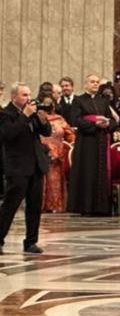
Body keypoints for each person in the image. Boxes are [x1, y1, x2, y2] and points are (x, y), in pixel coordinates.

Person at [0, 83, 52, 254]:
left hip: (35, 165)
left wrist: (43, 120)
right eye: (24, 95)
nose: (28, 99)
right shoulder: (6, 114)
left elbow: (45, 132)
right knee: (10, 205)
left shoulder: (32, 112)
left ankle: (30, 241)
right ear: (14, 96)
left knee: (34, 206)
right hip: (18, 167)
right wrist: (24, 116)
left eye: (29, 95)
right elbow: (7, 135)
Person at [68, 75, 118, 216]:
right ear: (85, 84)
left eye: (97, 82)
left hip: (102, 141)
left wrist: (108, 124)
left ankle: (101, 207)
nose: (95, 84)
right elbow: (76, 120)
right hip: (86, 143)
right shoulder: (78, 100)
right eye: (92, 82)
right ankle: (86, 207)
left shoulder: (103, 101)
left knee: (101, 172)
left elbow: (113, 121)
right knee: (88, 172)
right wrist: (94, 124)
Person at [39, 94, 75, 213]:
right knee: (42, 180)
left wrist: (73, 139)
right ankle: (41, 206)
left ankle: (55, 205)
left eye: (50, 103)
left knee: (55, 181)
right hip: (42, 153)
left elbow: (69, 133)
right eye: (45, 103)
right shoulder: (36, 118)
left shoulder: (60, 119)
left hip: (57, 155)